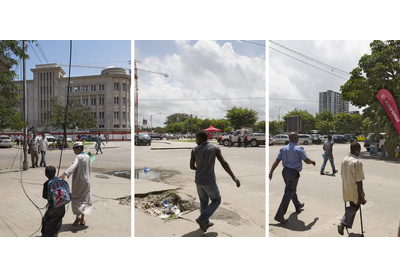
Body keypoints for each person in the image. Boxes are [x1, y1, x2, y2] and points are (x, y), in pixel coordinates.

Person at [190, 130, 240, 232]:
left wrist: (200, 167)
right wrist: (233, 177)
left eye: (197, 138)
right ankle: (203, 219)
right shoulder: (214, 148)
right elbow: (224, 163)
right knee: (216, 200)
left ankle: (205, 222)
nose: (196, 140)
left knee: (203, 201)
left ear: (201, 139)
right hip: (209, 180)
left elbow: (191, 166)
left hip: (198, 180)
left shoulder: (194, 150)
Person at [269, 133, 316, 223]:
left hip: (285, 172)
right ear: (294, 138)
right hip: (293, 172)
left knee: (290, 190)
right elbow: (306, 160)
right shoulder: (299, 148)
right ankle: (279, 215)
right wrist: (312, 162)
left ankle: (298, 205)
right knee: (288, 192)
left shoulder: (283, 149)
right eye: (297, 137)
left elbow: (277, 161)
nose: (298, 139)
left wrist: (271, 171)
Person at [60, 142, 92, 227]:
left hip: (79, 181)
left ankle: (78, 216)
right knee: (85, 198)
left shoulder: (78, 157)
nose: (74, 152)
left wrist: (65, 174)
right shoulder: (89, 156)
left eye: (74, 150)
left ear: (79, 148)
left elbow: (74, 165)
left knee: (77, 198)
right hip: (87, 181)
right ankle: (82, 220)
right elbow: (89, 164)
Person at [337, 142, 367, 236]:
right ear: (355, 150)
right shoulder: (357, 162)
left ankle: (345, 223)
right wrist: (361, 196)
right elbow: (359, 181)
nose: (359, 152)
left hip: (346, 187)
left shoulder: (344, 159)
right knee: (355, 206)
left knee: (353, 205)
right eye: (359, 150)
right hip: (354, 189)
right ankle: (343, 223)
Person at [41, 166, 66, 237]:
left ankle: (45, 234)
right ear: (55, 173)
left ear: (46, 174)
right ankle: (55, 233)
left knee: (46, 219)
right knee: (58, 219)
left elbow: (45, 196)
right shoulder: (61, 180)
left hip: (53, 206)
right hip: (62, 206)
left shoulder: (47, 183)